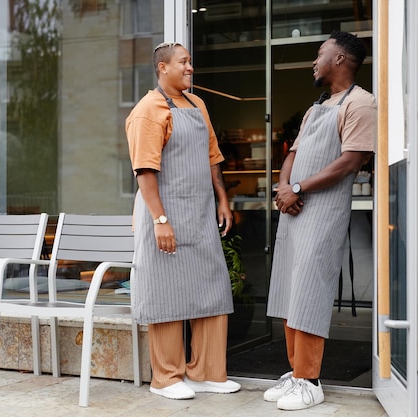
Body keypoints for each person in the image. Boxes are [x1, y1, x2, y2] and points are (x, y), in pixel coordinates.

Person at [264, 31, 376, 411]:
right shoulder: (315, 108)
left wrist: (297, 187)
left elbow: (349, 162)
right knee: (290, 289)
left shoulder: (361, 104)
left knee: (310, 290)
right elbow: (292, 154)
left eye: (319, 53)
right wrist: (283, 186)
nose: (314, 61)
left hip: (324, 212)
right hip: (296, 208)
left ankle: (310, 381)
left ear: (340, 59)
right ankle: (296, 372)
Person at [125, 42, 241, 400]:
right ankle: (166, 378)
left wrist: (222, 199)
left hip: (200, 214)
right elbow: (144, 170)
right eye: (184, 62)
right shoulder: (148, 110)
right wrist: (160, 219)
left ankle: (206, 371)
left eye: (191, 62)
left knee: (212, 286)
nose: (190, 68)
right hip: (163, 212)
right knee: (166, 292)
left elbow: (212, 157)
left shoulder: (197, 105)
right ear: (163, 68)